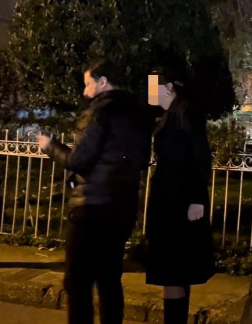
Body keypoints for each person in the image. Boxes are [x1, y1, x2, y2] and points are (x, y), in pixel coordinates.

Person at [38, 59, 153, 324]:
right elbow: (140, 161)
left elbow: (79, 161)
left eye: (88, 84)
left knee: (77, 281)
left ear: (103, 82)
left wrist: (50, 145)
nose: (85, 91)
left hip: (91, 208)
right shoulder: (139, 115)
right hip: (122, 207)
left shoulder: (100, 112)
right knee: (109, 278)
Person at [146, 66, 215, 324]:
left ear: (168, 88)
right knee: (175, 272)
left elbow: (200, 155)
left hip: (178, 203)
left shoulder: (186, 113)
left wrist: (197, 198)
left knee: (172, 272)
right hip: (170, 201)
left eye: (153, 86)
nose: (148, 92)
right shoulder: (169, 115)